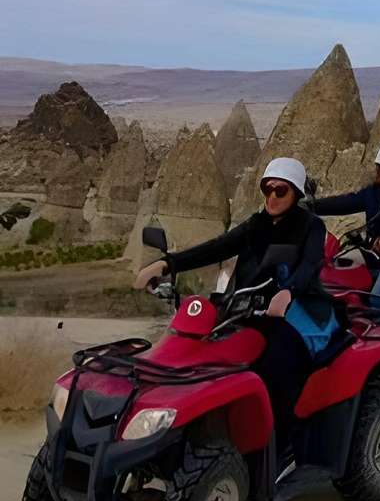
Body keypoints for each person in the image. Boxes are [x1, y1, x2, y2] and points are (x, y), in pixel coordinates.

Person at [132, 157, 341, 446]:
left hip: (294, 311)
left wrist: (289, 291)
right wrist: (167, 265)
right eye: (267, 189)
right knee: (196, 354)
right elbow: (219, 246)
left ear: (295, 193)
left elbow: (310, 264)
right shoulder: (258, 223)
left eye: (280, 191)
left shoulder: (311, 226)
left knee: (275, 368)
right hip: (246, 307)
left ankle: (278, 443)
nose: (272, 197)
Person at [308, 142, 380, 311]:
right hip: (371, 262)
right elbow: (346, 203)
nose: (377, 172)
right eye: (378, 167)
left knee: (378, 301)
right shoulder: (374, 193)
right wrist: (312, 206)